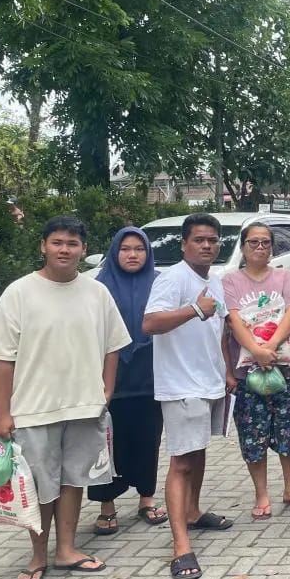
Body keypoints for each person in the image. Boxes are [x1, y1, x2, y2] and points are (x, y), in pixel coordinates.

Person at [0, 217, 131, 579]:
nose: (65, 249)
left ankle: (66, 549)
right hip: (33, 408)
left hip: (84, 405)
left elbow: (113, 346)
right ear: (43, 246)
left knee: (73, 480)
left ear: (84, 249)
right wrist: (2, 413)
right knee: (38, 485)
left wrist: (106, 390)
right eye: (57, 242)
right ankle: (38, 556)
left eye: (73, 243)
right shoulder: (19, 293)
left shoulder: (97, 293)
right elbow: (3, 359)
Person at [143, 213, 235, 579]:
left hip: (209, 381)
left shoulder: (215, 280)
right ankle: (180, 546)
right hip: (181, 385)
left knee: (198, 451)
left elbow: (221, 329)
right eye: (199, 239)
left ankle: (193, 513)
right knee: (181, 462)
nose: (207, 245)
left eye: (213, 240)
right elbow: (150, 323)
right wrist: (195, 309)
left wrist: (226, 371)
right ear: (184, 244)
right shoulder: (172, 278)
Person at [223, 222, 290, 520]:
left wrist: (269, 346)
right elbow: (232, 320)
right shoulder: (230, 281)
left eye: (265, 242)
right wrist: (256, 352)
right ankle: (261, 494)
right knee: (253, 435)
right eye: (253, 242)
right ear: (243, 246)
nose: (260, 247)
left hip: (286, 370)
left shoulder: (284, 276)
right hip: (247, 374)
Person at [88, 227, 167, 535]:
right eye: (125, 249)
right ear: (114, 252)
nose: (132, 255)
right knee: (107, 443)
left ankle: (146, 499)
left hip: (150, 376)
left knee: (148, 440)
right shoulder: (98, 286)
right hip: (109, 379)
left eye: (139, 249)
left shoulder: (159, 282)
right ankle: (106, 505)